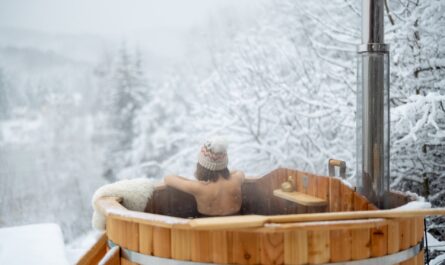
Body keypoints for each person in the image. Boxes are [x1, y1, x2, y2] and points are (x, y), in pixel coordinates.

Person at [164, 137, 245, 216]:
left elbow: (168, 179)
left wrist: (191, 182)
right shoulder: (236, 180)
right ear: (224, 164)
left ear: (202, 166)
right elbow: (239, 172)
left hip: (209, 228)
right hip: (236, 228)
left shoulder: (199, 187)